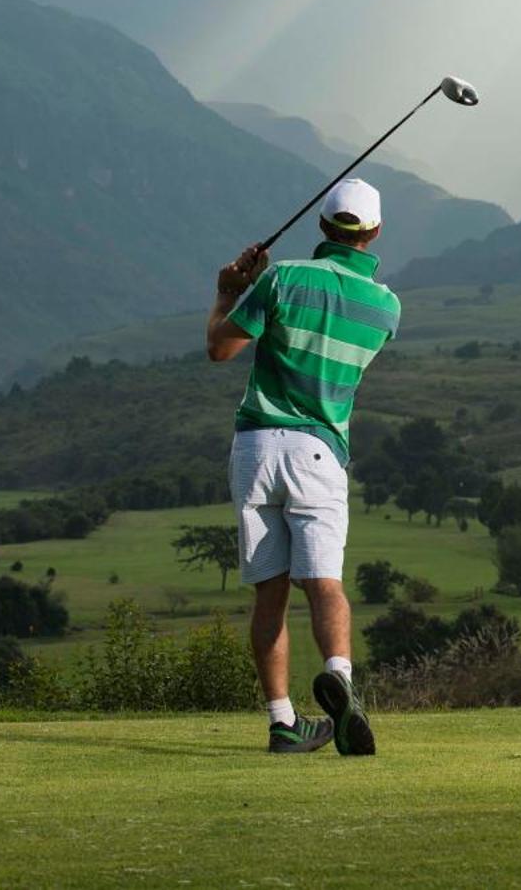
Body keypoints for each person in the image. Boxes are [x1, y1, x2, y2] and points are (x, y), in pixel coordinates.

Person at [207, 178, 401, 756]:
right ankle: (339, 679)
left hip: (257, 448)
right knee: (324, 585)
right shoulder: (386, 307)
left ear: (322, 226)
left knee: (269, 594)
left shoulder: (284, 276)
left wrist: (227, 292)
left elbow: (221, 347)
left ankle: (283, 722)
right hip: (319, 452)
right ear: (374, 232)